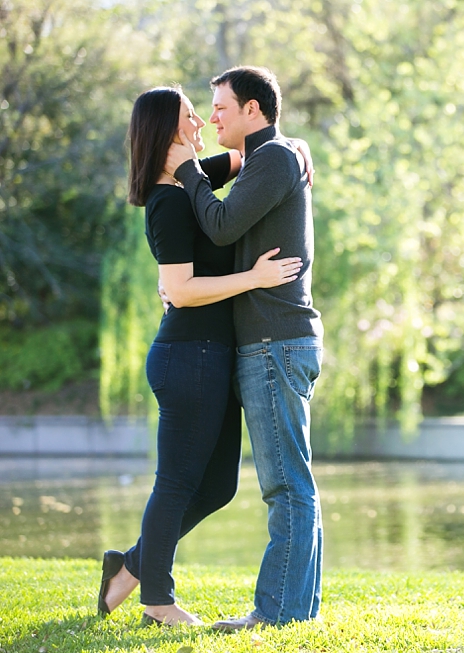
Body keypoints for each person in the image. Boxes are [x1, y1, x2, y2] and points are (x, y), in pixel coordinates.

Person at [97, 86, 302, 626]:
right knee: (178, 482)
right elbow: (182, 290)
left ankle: (130, 565)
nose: (204, 122)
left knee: (219, 486)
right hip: (188, 354)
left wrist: (298, 148)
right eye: (193, 116)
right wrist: (254, 279)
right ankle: (157, 600)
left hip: (213, 355)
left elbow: (252, 156)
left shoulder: (194, 178)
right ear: (169, 130)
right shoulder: (166, 201)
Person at [165, 66, 324, 631]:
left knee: (285, 485)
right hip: (267, 343)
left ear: (254, 110)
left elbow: (222, 225)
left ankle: (277, 611)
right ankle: (294, 609)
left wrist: (187, 171)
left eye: (222, 108)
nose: (212, 118)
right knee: (290, 484)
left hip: (275, 342)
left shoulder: (275, 158)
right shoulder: (269, 158)